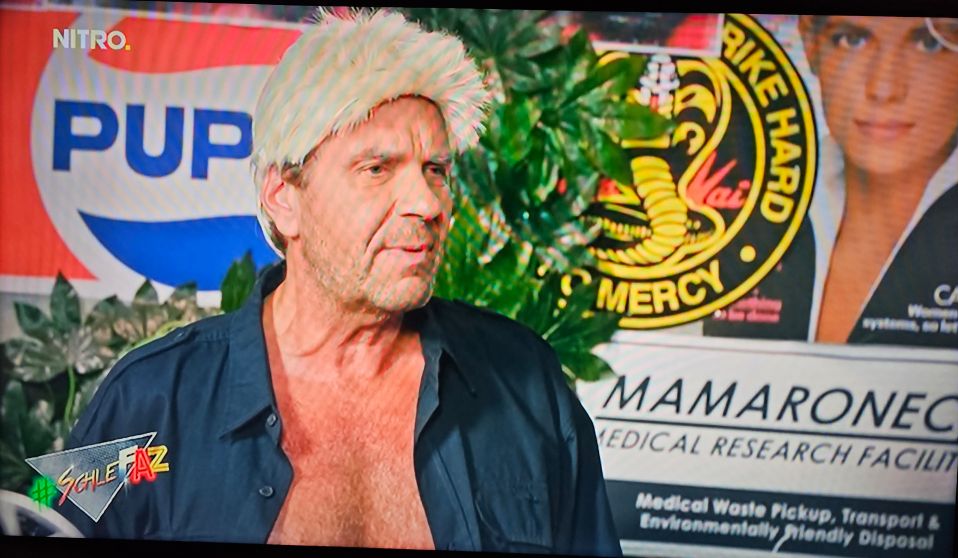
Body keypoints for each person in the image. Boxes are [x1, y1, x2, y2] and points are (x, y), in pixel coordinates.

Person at [58, 8, 622, 555]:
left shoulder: (526, 385)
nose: (428, 203)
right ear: (284, 197)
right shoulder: (153, 400)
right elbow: (45, 508)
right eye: (377, 169)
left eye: (436, 171)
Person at [705, 15, 958, 348]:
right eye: (851, 39)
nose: (883, 88)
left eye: (929, 43)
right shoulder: (747, 200)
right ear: (811, 44)